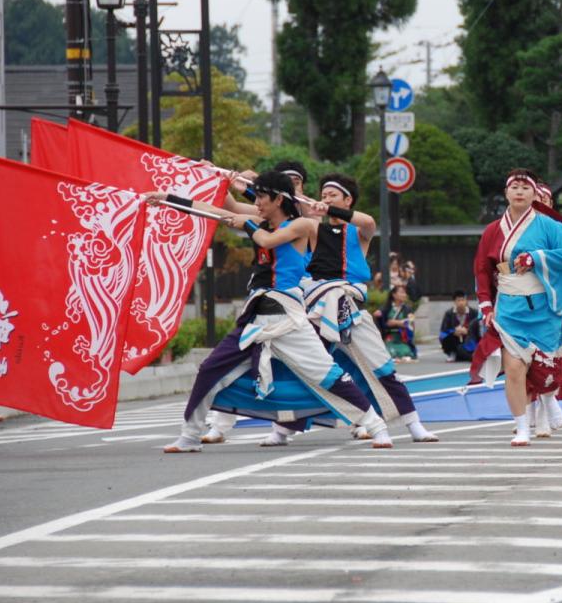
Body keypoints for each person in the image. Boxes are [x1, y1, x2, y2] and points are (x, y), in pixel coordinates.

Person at [153, 171, 394, 452]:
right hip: (256, 316)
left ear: (278, 199)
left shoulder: (302, 225)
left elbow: (268, 241)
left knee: (328, 375)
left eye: (262, 198)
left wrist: (248, 226)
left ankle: (377, 427)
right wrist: (169, 199)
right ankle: (190, 436)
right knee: (209, 368)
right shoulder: (259, 221)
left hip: (288, 316)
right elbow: (214, 211)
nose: (257, 204)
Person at [253, 173, 438, 447]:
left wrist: (332, 209)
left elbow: (369, 222)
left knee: (383, 368)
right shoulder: (313, 227)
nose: (325, 199)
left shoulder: (359, 232)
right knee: (306, 367)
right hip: (318, 308)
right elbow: (279, 205)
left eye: (332, 195)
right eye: (323, 195)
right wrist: (251, 184)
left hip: (351, 307)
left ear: (347, 199)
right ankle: (282, 428)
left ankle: (414, 424)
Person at [472, 169, 562, 446]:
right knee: (514, 368)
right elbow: (482, 269)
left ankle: (549, 401)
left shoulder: (550, 227)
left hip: (544, 306)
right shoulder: (493, 230)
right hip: (508, 307)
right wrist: (485, 305)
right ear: (506, 193)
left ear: (534, 194)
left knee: (545, 370)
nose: (519, 191)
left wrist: (538, 258)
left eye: (525, 187)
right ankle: (521, 426)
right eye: (514, 187)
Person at [377, 285, 417, 361]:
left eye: (405, 293)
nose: (404, 295)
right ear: (394, 294)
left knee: (406, 352)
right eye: (401, 292)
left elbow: (411, 324)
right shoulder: (386, 307)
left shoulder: (407, 308)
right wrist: (378, 316)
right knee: (390, 352)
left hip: (402, 338)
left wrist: (397, 322)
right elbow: (383, 322)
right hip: (389, 337)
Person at [440, 290, 481, 361]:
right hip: (455, 339)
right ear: (455, 302)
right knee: (448, 338)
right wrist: (454, 331)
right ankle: (452, 353)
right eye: (458, 300)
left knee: (464, 351)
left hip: (470, 339)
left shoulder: (474, 313)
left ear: (466, 301)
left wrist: (468, 330)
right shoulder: (449, 314)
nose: (461, 303)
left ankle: (466, 354)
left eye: (463, 300)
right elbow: (444, 330)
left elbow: (478, 328)